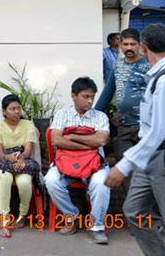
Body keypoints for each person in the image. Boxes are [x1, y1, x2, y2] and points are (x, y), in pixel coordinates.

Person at [105, 23, 165, 256]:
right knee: (134, 211)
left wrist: (123, 166)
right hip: (151, 155)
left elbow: (157, 131)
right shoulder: (157, 75)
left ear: (144, 47)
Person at [44, 77, 110, 245]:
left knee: (102, 183)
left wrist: (72, 136)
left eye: (92, 97)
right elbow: (56, 141)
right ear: (74, 96)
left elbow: (101, 141)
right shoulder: (62, 114)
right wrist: (89, 143)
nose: (90, 101)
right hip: (65, 163)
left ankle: (97, 226)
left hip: (94, 164)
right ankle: (72, 215)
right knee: (50, 180)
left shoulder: (100, 116)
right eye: (85, 96)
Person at [94, 28, 149, 191]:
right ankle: (131, 211)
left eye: (133, 44)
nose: (129, 47)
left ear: (140, 45)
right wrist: (93, 115)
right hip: (124, 126)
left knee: (145, 169)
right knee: (122, 167)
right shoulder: (118, 65)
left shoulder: (148, 66)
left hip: (144, 127)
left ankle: (148, 212)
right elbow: (108, 91)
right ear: (120, 45)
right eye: (125, 44)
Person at [0, 94, 41, 238]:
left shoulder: (28, 125)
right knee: (4, 178)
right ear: (4, 111)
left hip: (22, 161)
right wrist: (8, 157)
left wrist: (21, 159)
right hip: (5, 162)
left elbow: (28, 149)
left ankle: (22, 215)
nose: (17, 111)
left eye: (18, 108)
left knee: (24, 182)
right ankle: (5, 222)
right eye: (12, 108)